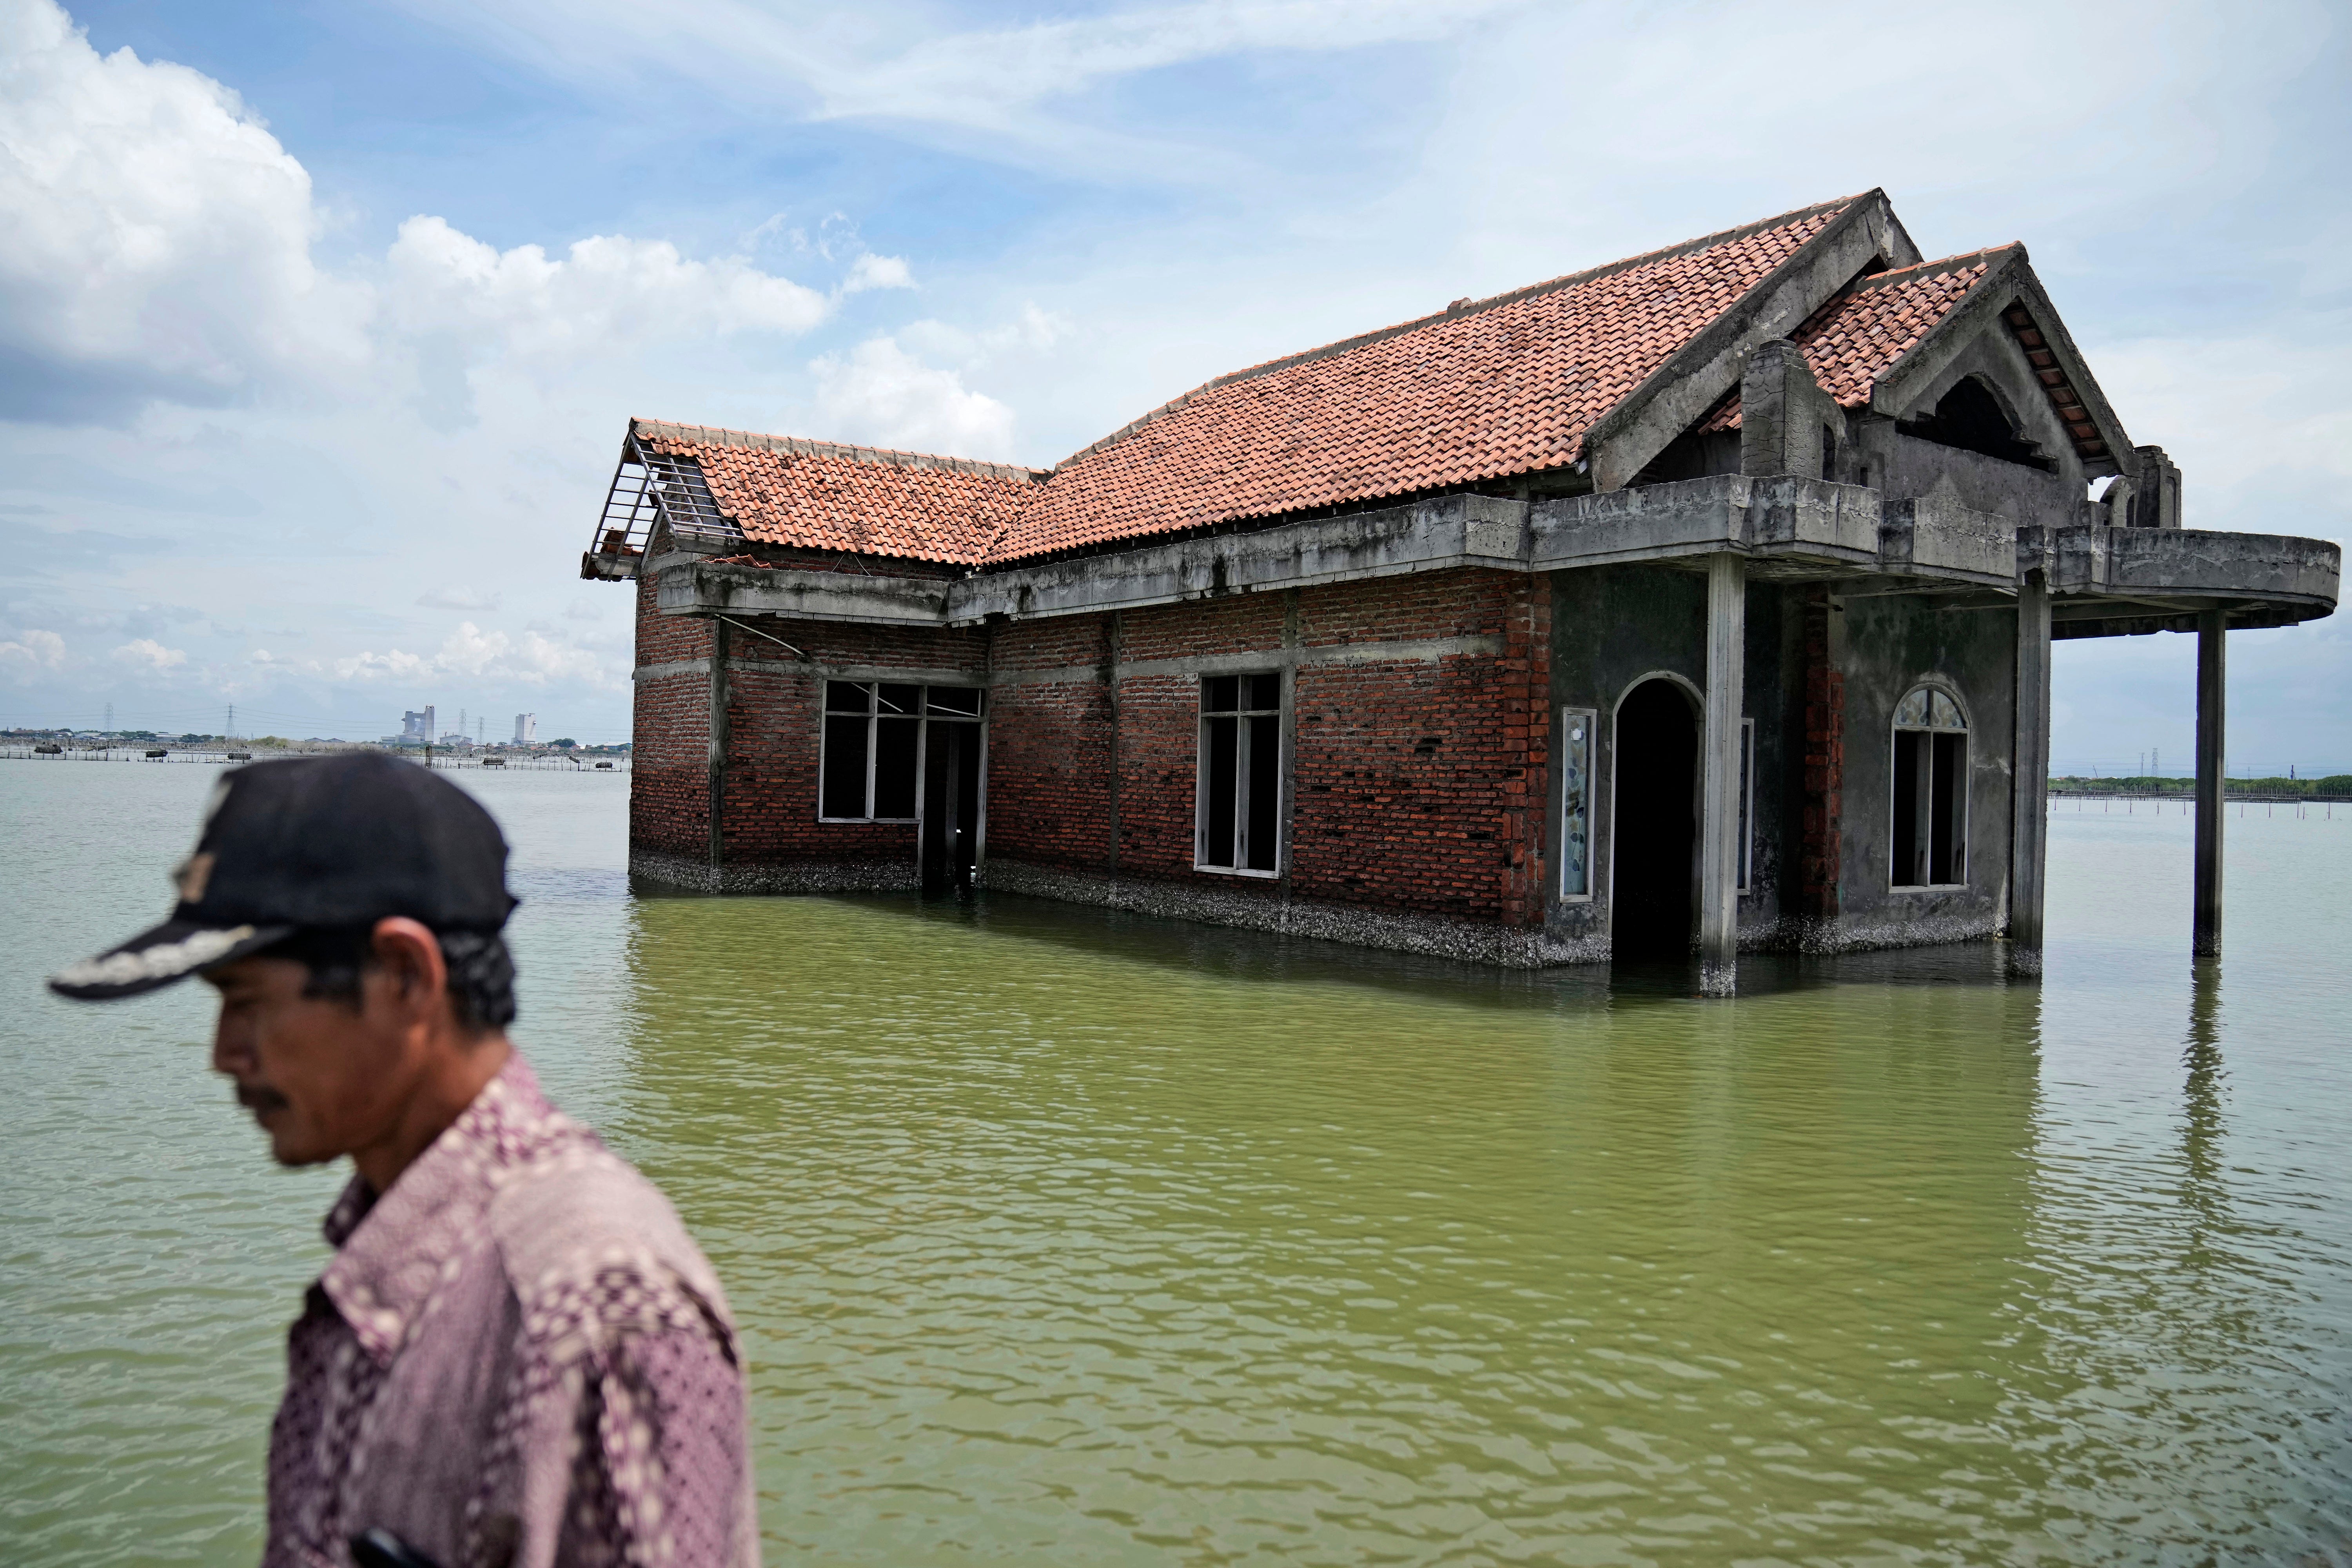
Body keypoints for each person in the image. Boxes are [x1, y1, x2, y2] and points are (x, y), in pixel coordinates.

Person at [50, 754, 758, 1568]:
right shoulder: (402, 1243)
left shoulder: (593, 1300)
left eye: (247, 1003)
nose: (223, 1054)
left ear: (405, 976)